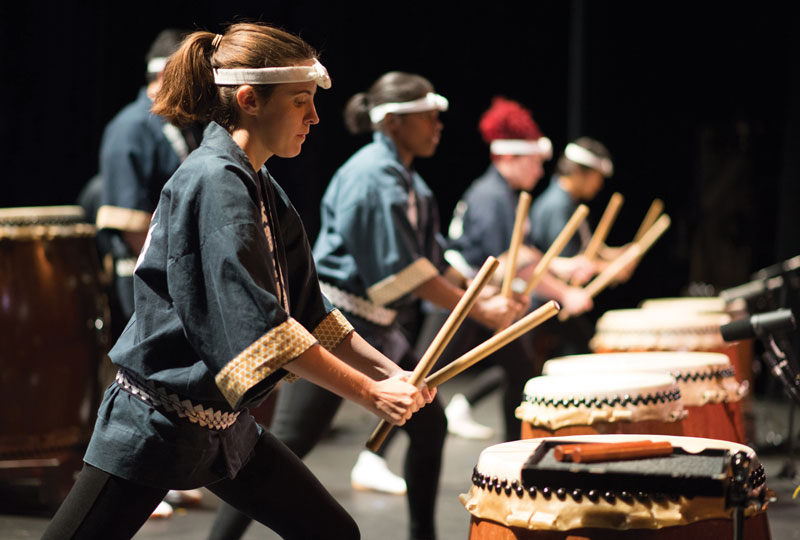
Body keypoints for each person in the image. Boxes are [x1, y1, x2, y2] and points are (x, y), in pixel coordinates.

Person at [42, 22, 433, 540]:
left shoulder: (258, 181)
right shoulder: (214, 183)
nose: (315, 117)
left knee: (333, 532)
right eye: (301, 102)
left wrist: (393, 372)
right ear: (249, 99)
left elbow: (312, 315)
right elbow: (265, 331)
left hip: (225, 427)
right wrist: (370, 393)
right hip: (155, 422)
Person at [208, 72, 525, 540]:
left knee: (427, 420)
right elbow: (401, 272)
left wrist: (487, 294)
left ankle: (422, 534)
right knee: (290, 441)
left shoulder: (405, 179)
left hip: (372, 326)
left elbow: (429, 257)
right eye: (427, 115)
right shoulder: (371, 175)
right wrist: (479, 309)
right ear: (394, 122)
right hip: (339, 320)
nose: (438, 124)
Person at [431, 96, 595, 441]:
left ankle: (512, 448)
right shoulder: (492, 196)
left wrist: (563, 266)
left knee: (519, 371)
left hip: (479, 298)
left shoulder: (503, 193)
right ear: (508, 157)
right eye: (533, 162)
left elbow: (520, 256)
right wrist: (565, 292)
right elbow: (507, 262)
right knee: (419, 377)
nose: (539, 171)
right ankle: (374, 454)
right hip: (458, 299)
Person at [528, 136, 629, 357]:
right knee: (589, 347)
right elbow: (571, 263)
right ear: (579, 172)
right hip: (545, 302)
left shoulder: (568, 202)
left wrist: (620, 256)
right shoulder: (558, 206)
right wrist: (610, 269)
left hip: (555, 299)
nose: (600, 184)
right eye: (597, 177)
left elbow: (590, 249)